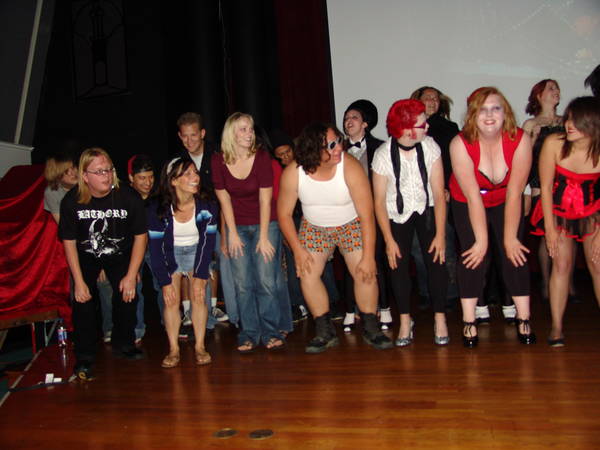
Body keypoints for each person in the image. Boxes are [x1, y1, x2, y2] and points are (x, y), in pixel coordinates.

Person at [278, 122, 393, 353]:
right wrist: (298, 250)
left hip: (350, 224)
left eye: (338, 141)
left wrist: (368, 257)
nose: (339, 147)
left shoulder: (350, 167)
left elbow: (366, 215)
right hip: (315, 227)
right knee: (307, 273)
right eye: (331, 145)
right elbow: (284, 215)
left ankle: (371, 326)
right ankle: (325, 330)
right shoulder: (294, 172)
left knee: (365, 271)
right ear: (314, 150)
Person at [449, 87, 536, 347]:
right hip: (468, 199)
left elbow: (515, 192)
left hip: (506, 198)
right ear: (472, 115)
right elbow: (473, 196)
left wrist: (510, 238)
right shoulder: (460, 144)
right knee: (474, 255)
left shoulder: (520, 139)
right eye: (482, 110)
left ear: (505, 112)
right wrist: (481, 241)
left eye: (495, 108)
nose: (489, 115)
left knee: (514, 252)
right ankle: (469, 321)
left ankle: (524, 318)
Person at [58, 148, 147, 380]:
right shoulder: (71, 201)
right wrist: (78, 281)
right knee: (83, 301)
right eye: (99, 172)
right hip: (85, 256)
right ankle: (85, 355)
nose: (106, 176)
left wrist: (132, 274)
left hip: (120, 253)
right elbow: (69, 242)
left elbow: (141, 236)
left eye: (108, 170)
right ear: (85, 176)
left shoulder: (128, 196)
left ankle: (124, 344)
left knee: (127, 295)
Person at [372, 99, 449, 346]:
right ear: (406, 130)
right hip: (396, 213)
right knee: (397, 264)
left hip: (427, 209)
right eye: (422, 124)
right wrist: (388, 240)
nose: (427, 127)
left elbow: (439, 194)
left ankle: (440, 317)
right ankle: (405, 320)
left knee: (437, 260)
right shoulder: (383, 155)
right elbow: (379, 202)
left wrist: (440, 234)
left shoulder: (430, 146)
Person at [212, 112, 285, 352]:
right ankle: (249, 333)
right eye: (243, 129)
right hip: (238, 225)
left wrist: (263, 236)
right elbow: (224, 201)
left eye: (251, 129)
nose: (249, 134)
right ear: (231, 134)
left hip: (266, 223)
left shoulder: (261, 157)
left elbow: (266, 200)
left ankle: (271, 332)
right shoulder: (218, 160)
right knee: (242, 283)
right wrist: (231, 233)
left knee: (265, 280)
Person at [531, 96, 600, 346]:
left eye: (575, 120)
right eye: (568, 118)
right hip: (559, 209)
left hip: (593, 211)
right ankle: (556, 326)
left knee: (598, 264)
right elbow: (545, 188)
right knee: (561, 265)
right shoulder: (554, 143)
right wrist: (550, 229)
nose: (568, 124)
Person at [147, 157, 218, 367]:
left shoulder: (207, 204)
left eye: (195, 172)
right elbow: (156, 249)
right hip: (170, 252)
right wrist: (165, 281)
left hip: (197, 249)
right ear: (173, 181)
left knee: (198, 295)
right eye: (187, 174)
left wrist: (201, 275)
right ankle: (173, 349)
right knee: (170, 298)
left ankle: (200, 346)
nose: (195, 177)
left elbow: (207, 242)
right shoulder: (157, 209)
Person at [176, 112, 230, 332]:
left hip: (221, 219)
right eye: (185, 136)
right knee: (197, 268)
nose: (189, 140)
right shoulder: (178, 161)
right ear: (180, 136)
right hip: (192, 225)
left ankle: (230, 312)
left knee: (226, 265)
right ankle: (200, 318)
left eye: (193, 135)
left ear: (202, 133)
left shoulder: (218, 154)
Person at [342, 100, 392, 331]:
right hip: (346, 214)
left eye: (354, 117)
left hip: (374, 213)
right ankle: (351, 310)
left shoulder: (381, 147)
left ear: (365, 124)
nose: (348, 121)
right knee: (349, 263)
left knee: (377, 259)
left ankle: (384, 308)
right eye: (346, 118)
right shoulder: (337, 150)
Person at [409, 86, 460, 313]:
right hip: (413, 198)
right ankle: (426, 291)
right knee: (417, 249)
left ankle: (449, 293)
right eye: (427, 97)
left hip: (441, 195)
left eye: (436, 98)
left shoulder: (450, 128)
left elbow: (455, 162)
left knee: (444, 245)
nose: (432, 101)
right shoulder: (406, 128)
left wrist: (448, 186)